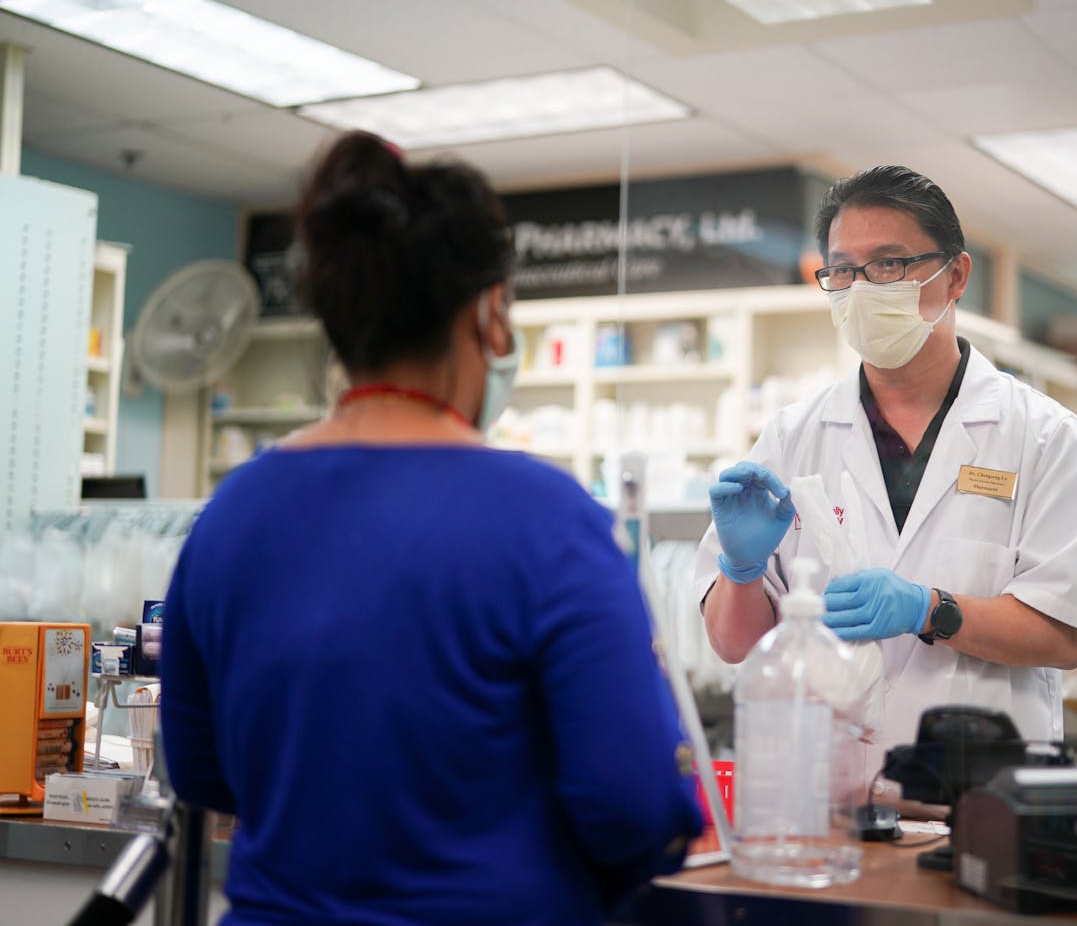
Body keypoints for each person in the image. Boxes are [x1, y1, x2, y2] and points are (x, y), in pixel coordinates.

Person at [161, 131, 702, 925]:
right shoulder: (548, 520)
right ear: (490, 314)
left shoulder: (233, 514)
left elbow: (202, 774)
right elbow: (636, 804)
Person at [695, 165, 1077, 799]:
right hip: (822, 798)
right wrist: (741, 569)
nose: (862, 290)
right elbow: (733, 644)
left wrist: (931, 609)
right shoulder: (792, 437)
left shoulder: (1043, 436)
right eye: (842, 270)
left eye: (889, 264)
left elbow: (1066, 634)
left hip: (981, 799)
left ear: (955, 276)